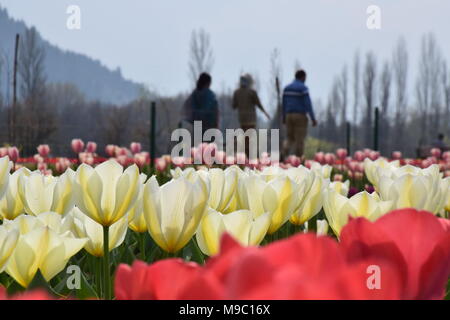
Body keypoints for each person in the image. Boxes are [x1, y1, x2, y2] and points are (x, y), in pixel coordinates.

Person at [282, 69, 317, 158]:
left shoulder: (287, 88)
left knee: (289, 138)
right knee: (299, 139)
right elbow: (308, 104)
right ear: (303, 77)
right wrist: (312, 118)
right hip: (300, 116)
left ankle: (284, 153)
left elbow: (284, 104)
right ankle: (299, 160)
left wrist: (283, 117)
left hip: (288, 115)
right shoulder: (303, 88)